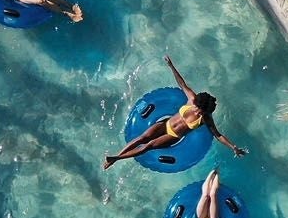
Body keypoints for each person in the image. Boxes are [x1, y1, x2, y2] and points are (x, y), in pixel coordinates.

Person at [103, 55, 248, 169]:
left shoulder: (206, 119)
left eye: (200, 110)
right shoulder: (192, 99)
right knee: (142, 138)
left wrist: (233, 147)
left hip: (173, 135)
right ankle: (116, 157)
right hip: (165, 123)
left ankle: (115, 159)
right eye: (197, 106)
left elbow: (218, 135)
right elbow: (182, 84)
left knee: (148, 146)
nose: (196, 109)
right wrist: (171, 66)